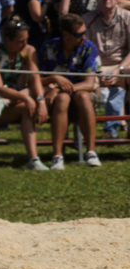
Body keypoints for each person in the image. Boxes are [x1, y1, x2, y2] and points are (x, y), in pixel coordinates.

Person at [0, 17, 49, 170]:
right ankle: (33, 159)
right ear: (8, 40)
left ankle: (33, 159)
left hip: (13, 99)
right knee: (27, 104)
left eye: (26, 39)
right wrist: (25, 97)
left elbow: (35, 78)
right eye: (20, 41)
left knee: (32, 102)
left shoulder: (29, 50)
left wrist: (41, 101)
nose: (25, 44)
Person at [38, 13, 101, 169]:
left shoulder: (89, 48)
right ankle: (57, 156)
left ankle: (91, 152)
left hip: (83, 96)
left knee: (83, 96)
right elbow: (35, 79)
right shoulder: (48, 47)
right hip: (58, 101)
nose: (83, 37)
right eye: (79, 34)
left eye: (84, 32)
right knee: (63, 99)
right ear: (65, 34)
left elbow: (88, 84)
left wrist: (58, 89)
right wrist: (54, 77)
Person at [82, 0, 130, 137]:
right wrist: (96, 71)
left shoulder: (128, 18)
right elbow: (84, 50)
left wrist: (119, 69)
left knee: (120, 83)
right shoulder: (87, 19)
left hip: (121, 66)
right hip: (95, 66)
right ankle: (82, 132)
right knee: (82, 87)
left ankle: (110, 129)